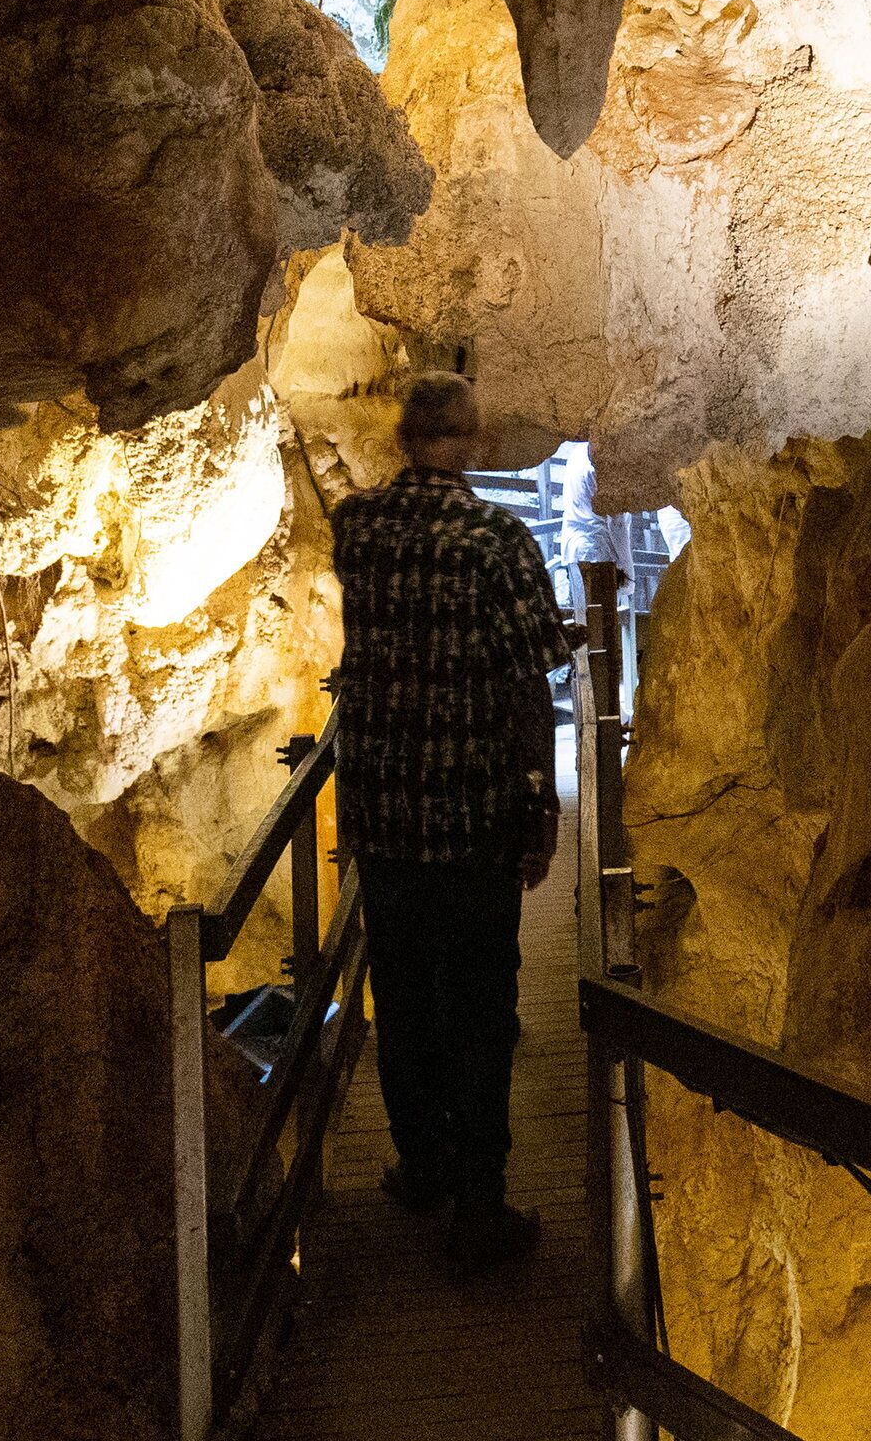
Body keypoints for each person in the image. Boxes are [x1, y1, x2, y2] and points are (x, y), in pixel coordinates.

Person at [318, 370, 576, 1275]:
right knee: (479, 1006)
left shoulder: (356, 529)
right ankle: (480, 1201)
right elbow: (531, 681)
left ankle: (421, 1166)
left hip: (384, 815)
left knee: (407, 1000)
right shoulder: (498, 541)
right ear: (470, 444)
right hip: (471, 818)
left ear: (399, 438)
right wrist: (540, 800)